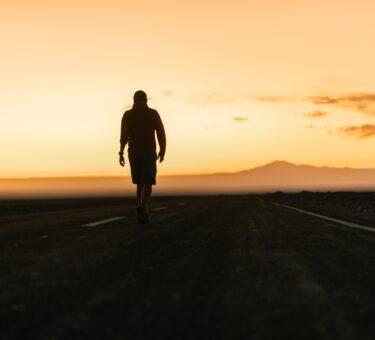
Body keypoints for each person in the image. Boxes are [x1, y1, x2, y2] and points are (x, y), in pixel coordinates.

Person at [119, 90, 166, 223]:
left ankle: (143, 212)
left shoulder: (128, 115)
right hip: (148, 152)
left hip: (134, 153)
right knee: (148, 181)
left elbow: (124, 136)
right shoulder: (153, 113)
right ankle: (143, 205)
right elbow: (161, 133)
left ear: (134, 100)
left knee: (140, 183)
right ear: (146, 100)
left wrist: (121, 153)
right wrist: (163, 150)